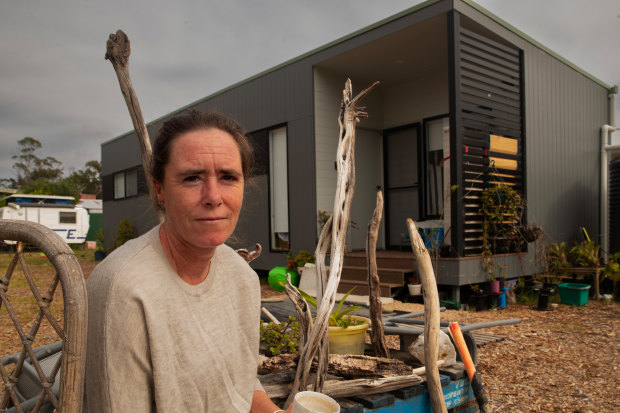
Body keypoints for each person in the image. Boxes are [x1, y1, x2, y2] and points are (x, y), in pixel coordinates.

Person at [85, 110, 291, 413]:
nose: (213, 196)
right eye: (192, 178)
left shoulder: (242, 278)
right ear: (159, 189)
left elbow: (242, 386)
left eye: (228, 177)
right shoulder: (123, 290)